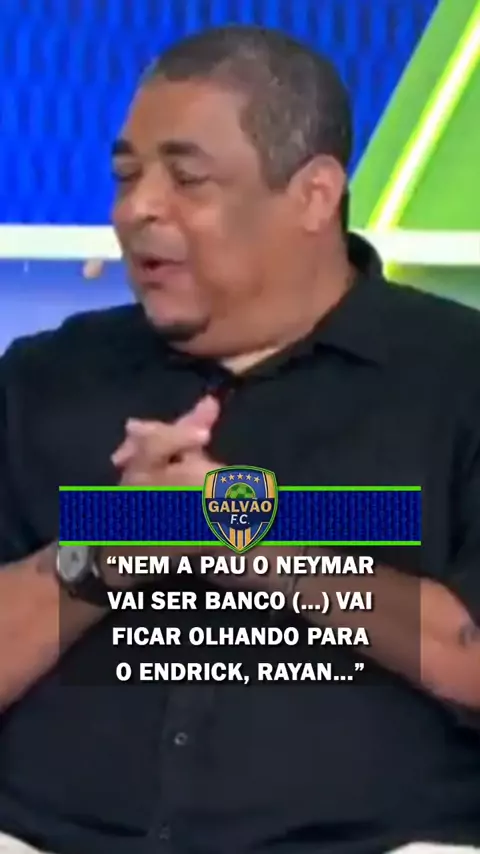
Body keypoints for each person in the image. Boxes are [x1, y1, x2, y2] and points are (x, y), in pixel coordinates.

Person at [0, 24, 479, 854]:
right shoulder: (44, 377)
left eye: (187, 178)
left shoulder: (457, 378)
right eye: (126, 176)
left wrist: (249, 537)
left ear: (314, 195)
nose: (137, 209)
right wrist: (105, 549)